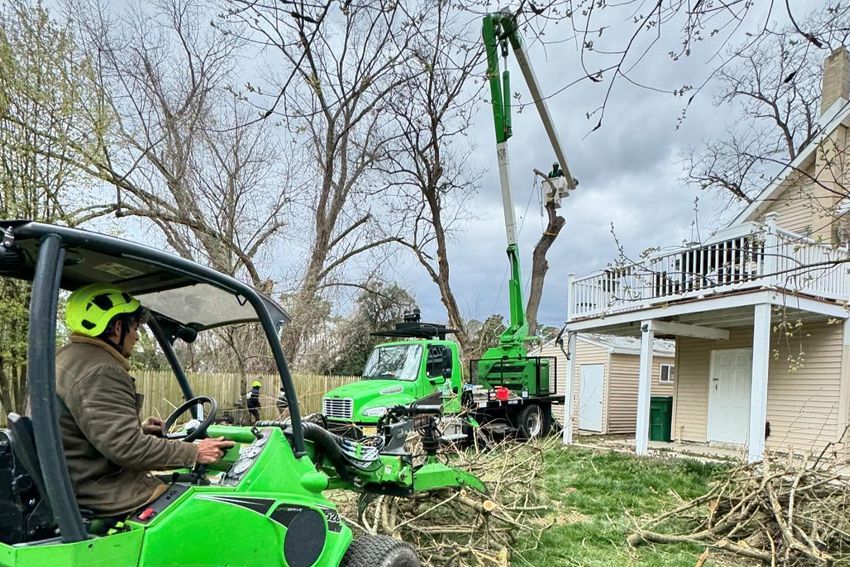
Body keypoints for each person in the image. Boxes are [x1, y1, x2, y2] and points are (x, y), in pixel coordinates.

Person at [57, 283, 234, 517]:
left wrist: (139, 430)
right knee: (211, 508)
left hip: (77, 479)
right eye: (135, 327)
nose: (137, 336)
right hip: (102, 490)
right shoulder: (101, 370)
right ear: (117, 327)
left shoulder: (65, 358)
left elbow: (84, 431)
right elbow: (126, 447)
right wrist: (194, 452)